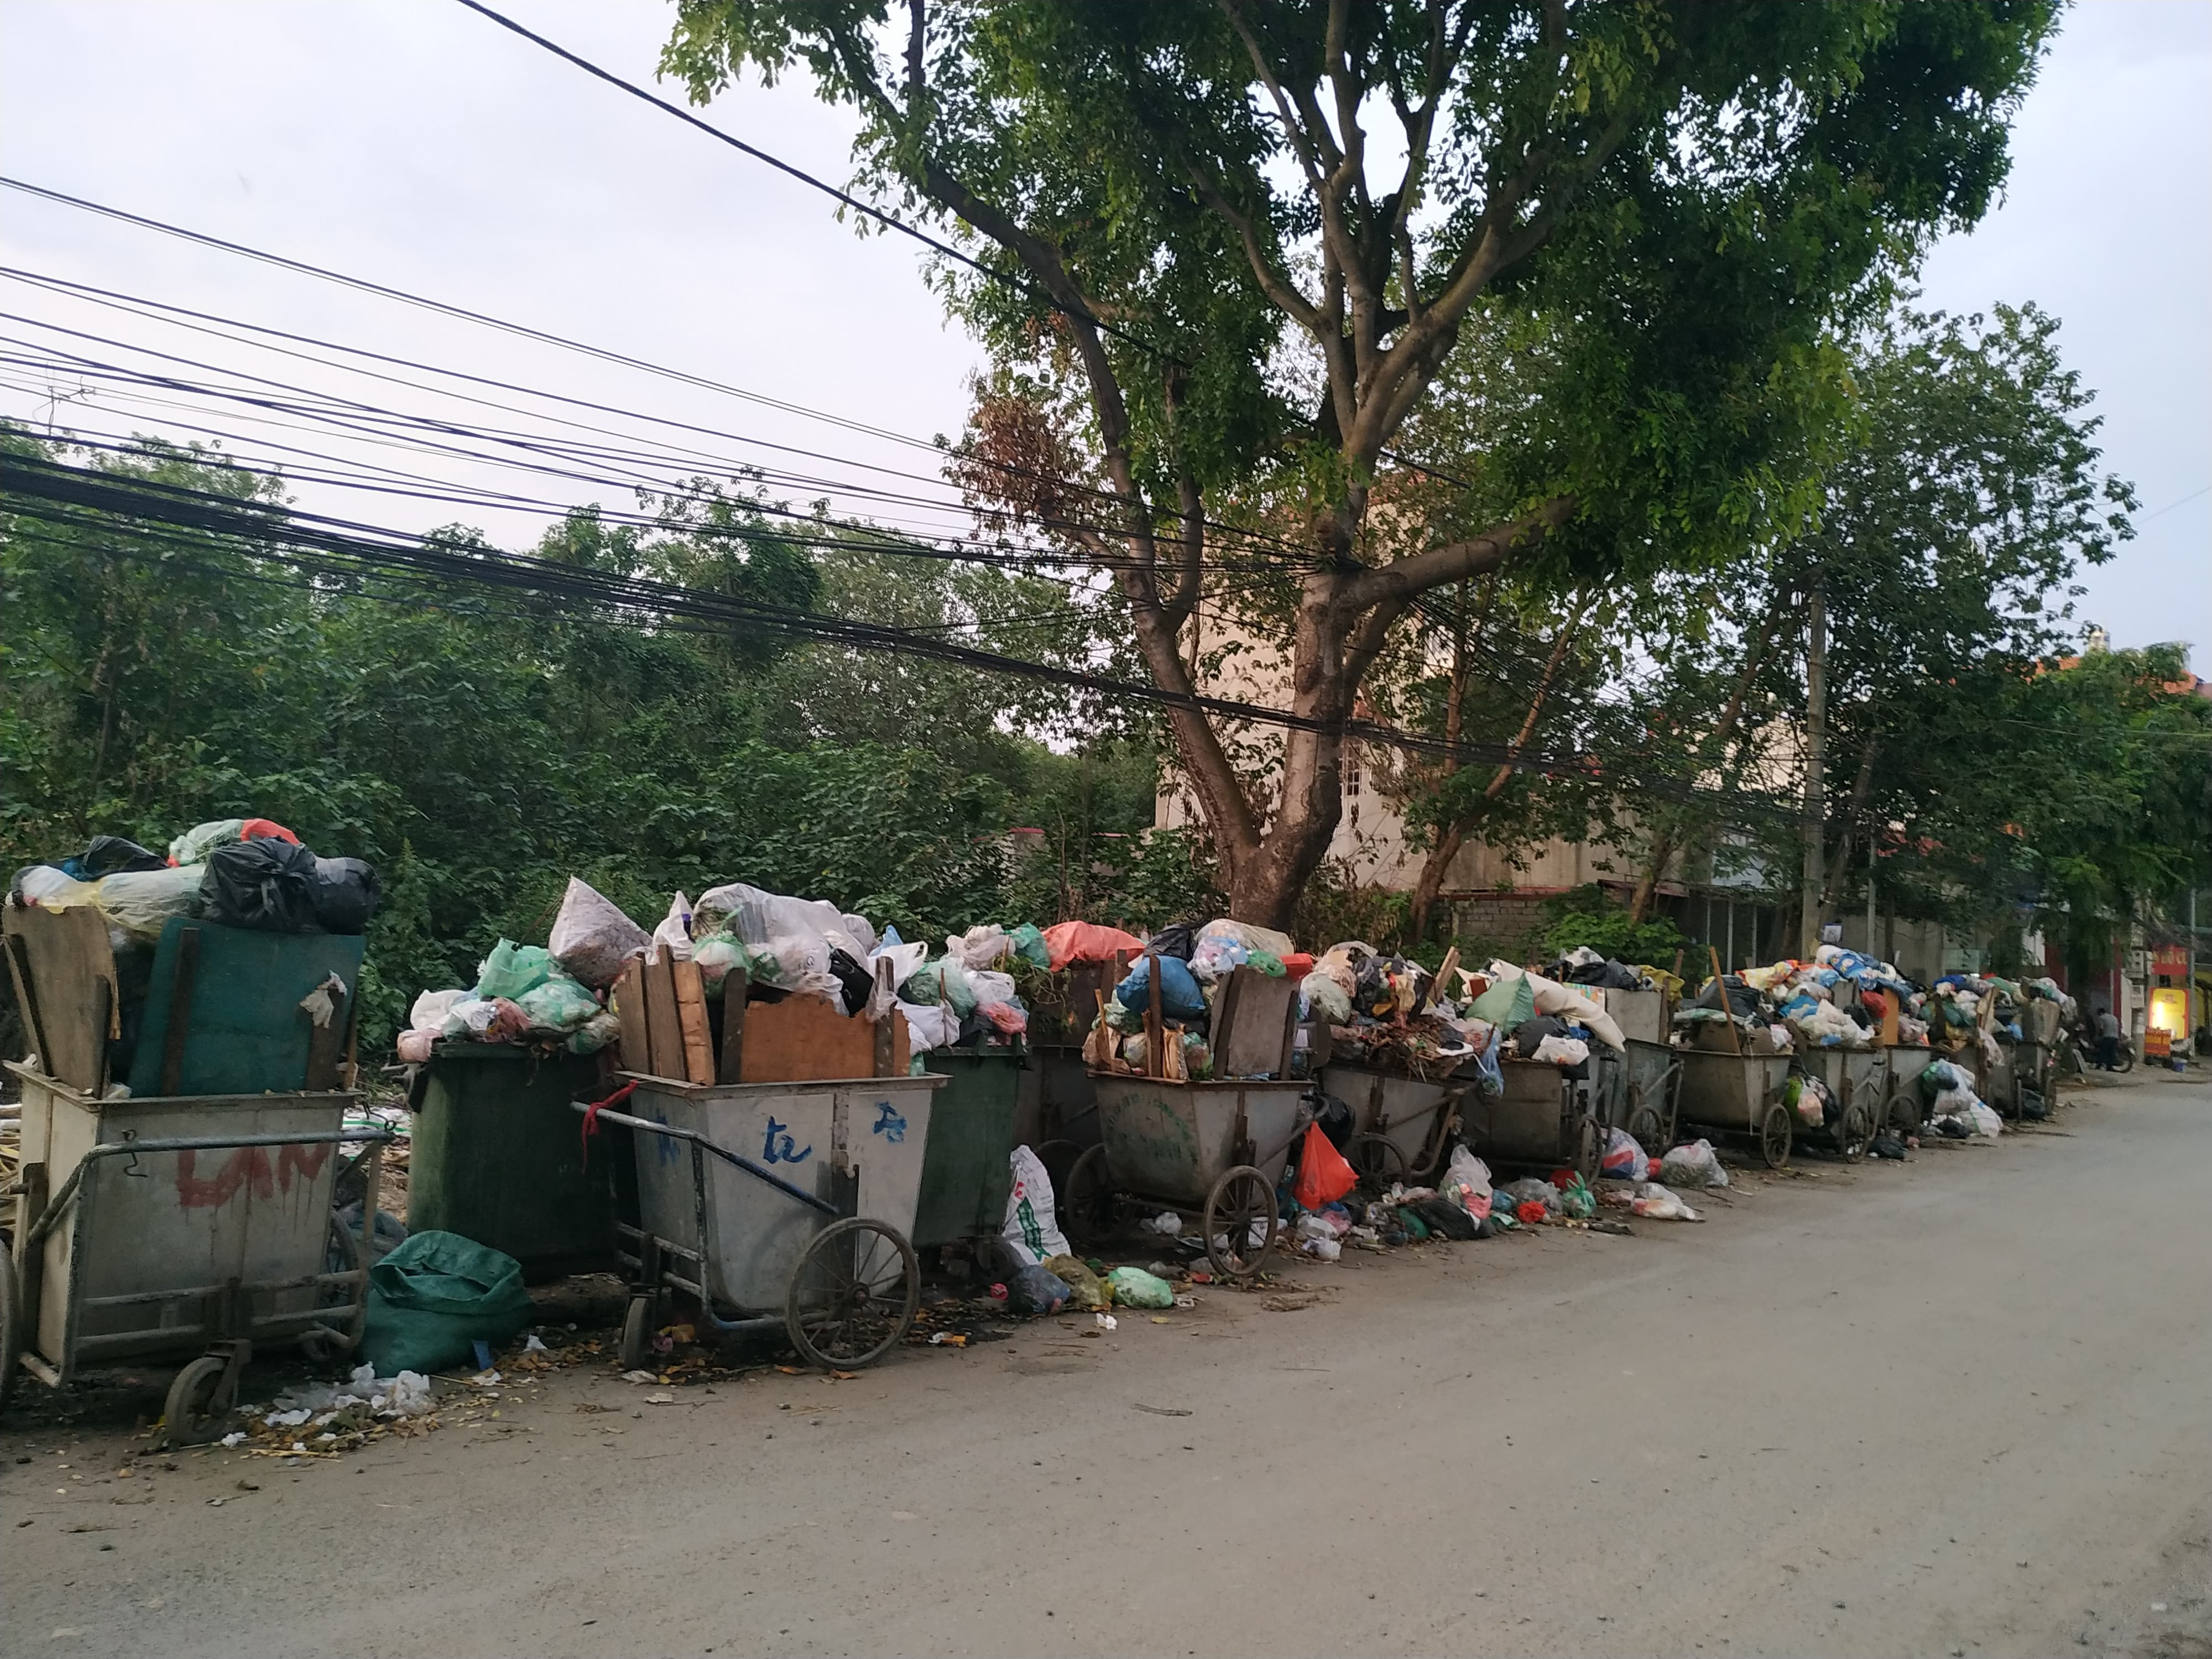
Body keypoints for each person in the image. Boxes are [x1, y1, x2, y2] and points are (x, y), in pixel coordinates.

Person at [2095, 1005, 2122, 1071]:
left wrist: (2098, 1036)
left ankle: (2099, 1065)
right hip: (2115, 1038)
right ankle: (2110, 1067)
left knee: (2103, 1051)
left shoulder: (2102, 1018)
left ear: (2100, 1013)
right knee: (2112, 1052)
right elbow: (2118, 1028)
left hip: (2107, 1037)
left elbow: (2101, 1029)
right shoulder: (2114, 1018)